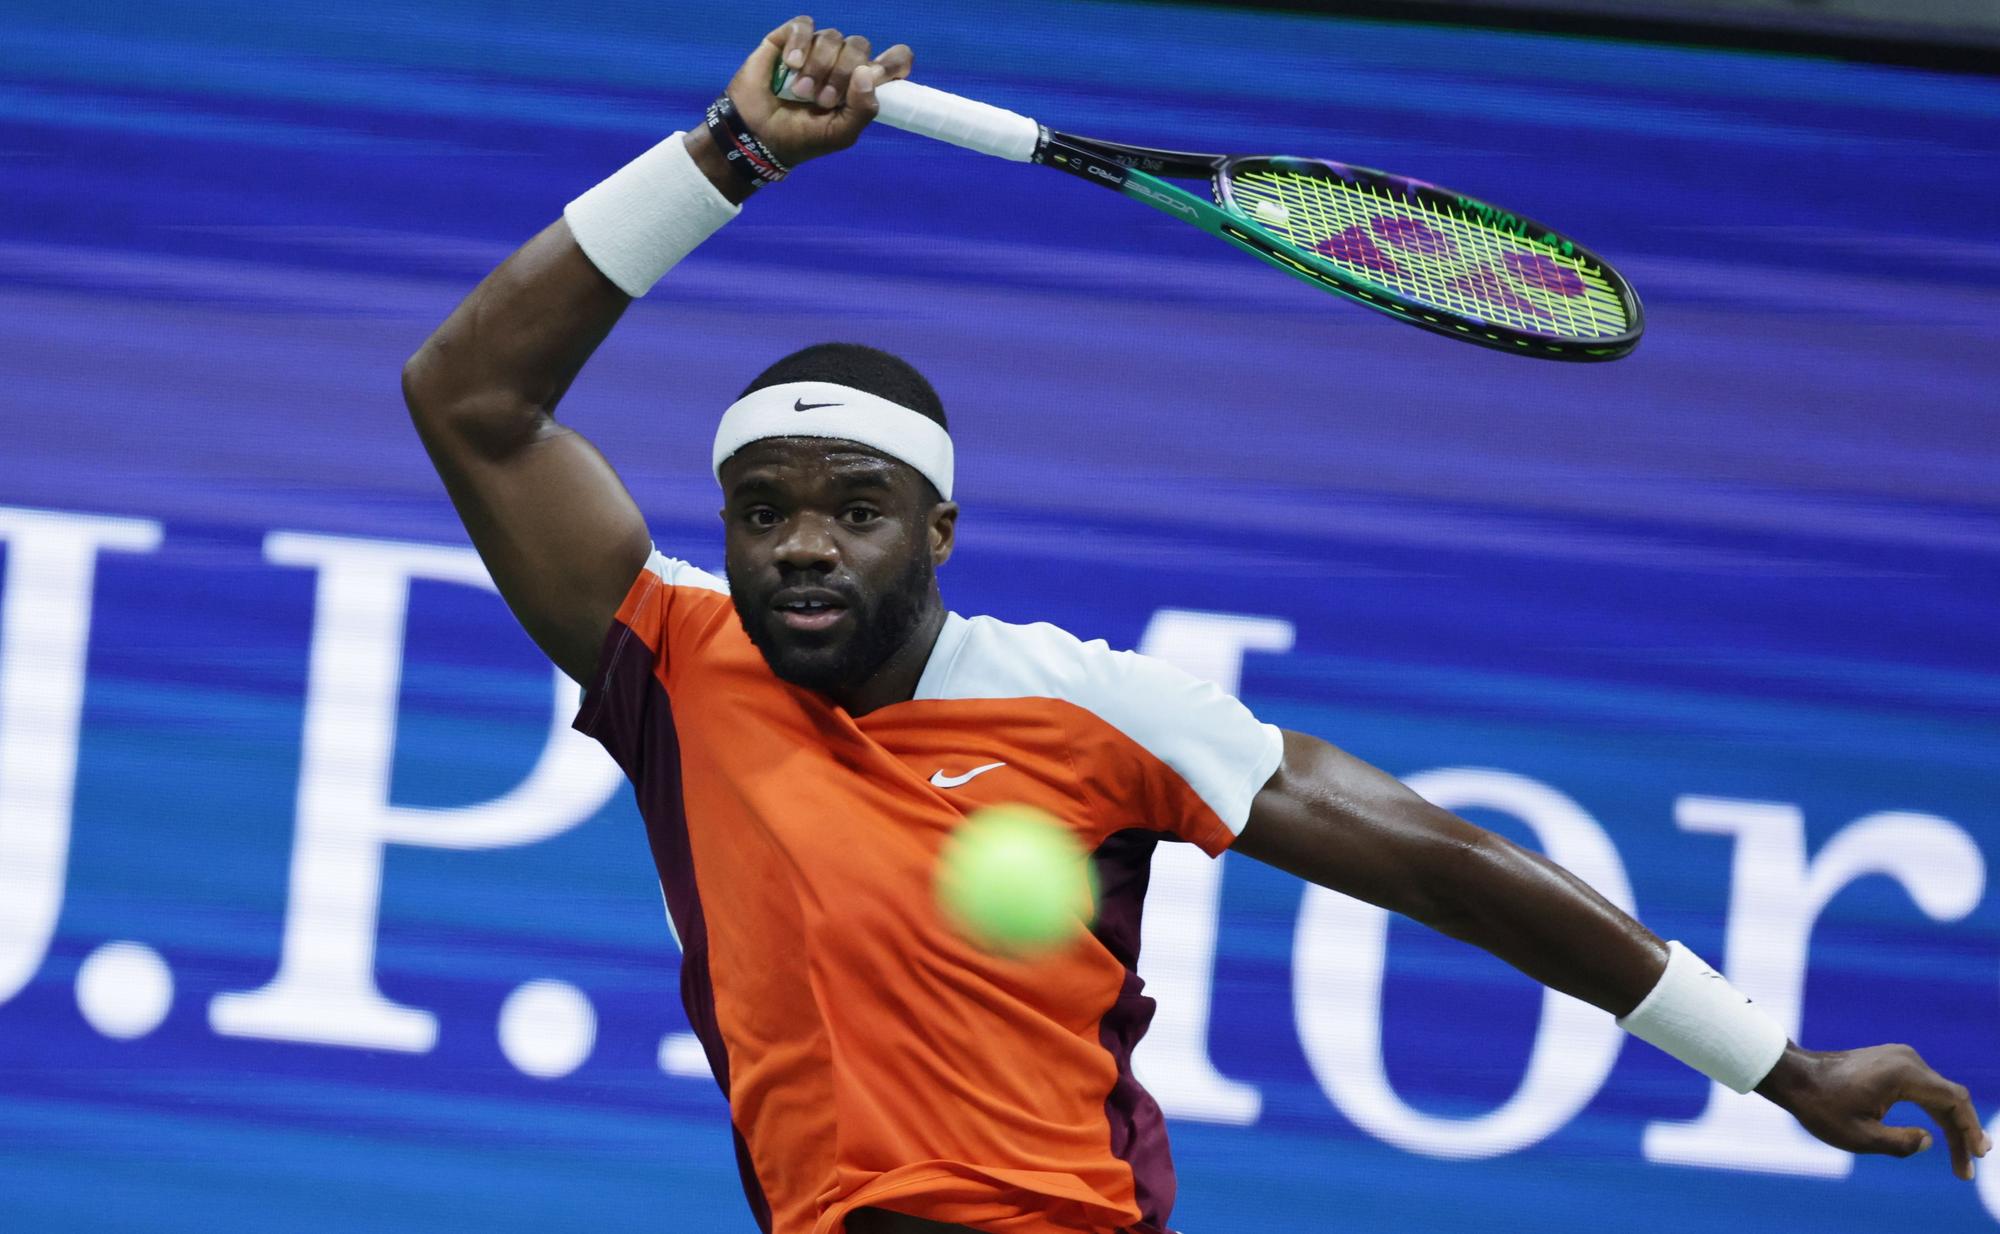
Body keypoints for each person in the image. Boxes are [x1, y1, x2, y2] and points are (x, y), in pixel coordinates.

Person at [401, 16, 1988, 1234]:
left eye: (856, 507)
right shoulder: (679, 661)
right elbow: (468, 398)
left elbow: (1449, 862)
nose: (805, 544)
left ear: (940, 529)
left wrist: (1776, 1065)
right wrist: (726, 157)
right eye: (765, 510)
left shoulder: (1101, 713)